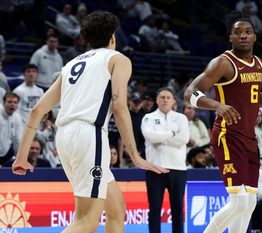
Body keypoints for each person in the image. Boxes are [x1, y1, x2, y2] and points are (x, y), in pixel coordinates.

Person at [11, 11, 168, 233]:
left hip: (65, 136)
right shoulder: (118, 59)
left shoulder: (71, 64)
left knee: (116, 208)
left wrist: (21, 157)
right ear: (113, 37)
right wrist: (135, 155)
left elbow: (37, 111)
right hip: (88, 135)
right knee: (86, 220)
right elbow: (120, 107)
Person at [184, 10, 262, 233]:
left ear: (255, 36)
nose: (243, 36)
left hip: (249, 139)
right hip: (228, 135)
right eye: (238, 32)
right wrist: (217, 105)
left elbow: (255, 98)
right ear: (231, 37)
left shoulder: (259, 64)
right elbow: (190, 93)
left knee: (250, 203)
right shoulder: (223, 63)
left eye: (248, 32)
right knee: (238, 202)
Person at [141, 87, 190, 233]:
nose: (165, 100)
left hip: (178, 169)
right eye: (162, 97)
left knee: (177, 210)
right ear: (156, 100)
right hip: (155, 169)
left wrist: (161, 138)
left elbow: (184, 139)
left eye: (168, 97)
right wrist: (172, 134)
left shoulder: (181, 118)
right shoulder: (148, 117)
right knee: (155, 209)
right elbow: (150, 137)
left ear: (174, 100)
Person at [0, 92, 23, 166]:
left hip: (5, 153)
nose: (12, 104)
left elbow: (17, 141)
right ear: (3, 103)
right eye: (9, 102)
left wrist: (18, 160)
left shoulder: (17, 118)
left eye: (15, 102)